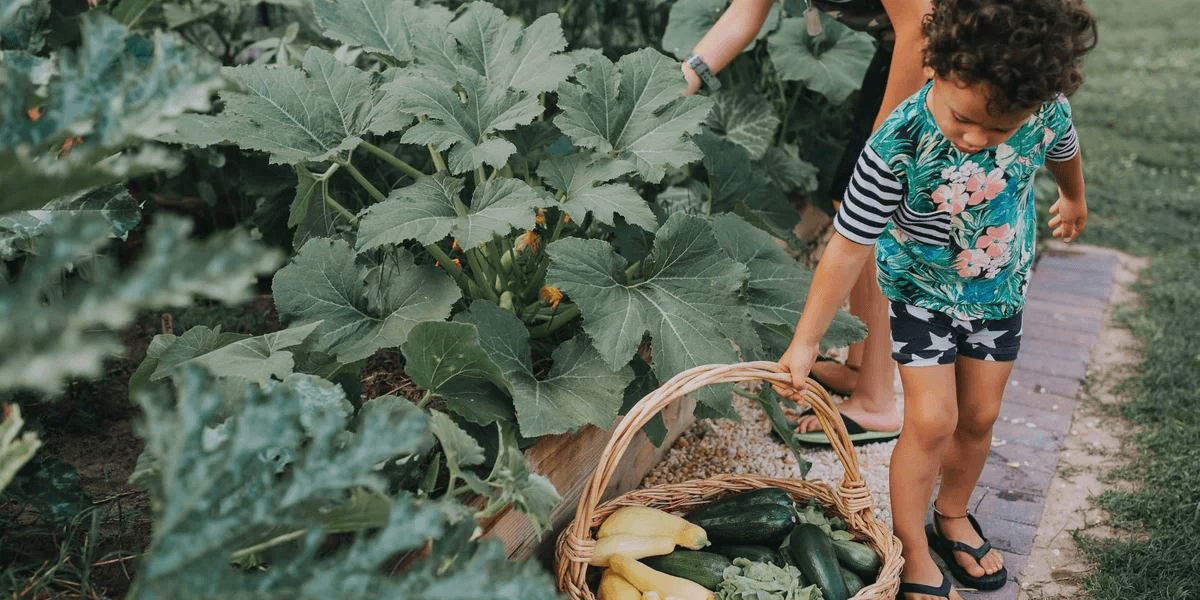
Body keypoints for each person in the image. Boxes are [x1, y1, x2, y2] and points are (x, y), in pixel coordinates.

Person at [774, 0, 1098, 597]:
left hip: (999, 287)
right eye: (963, 119)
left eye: (998, 130)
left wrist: (1073, 199)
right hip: (923, 291)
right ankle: (911, 544)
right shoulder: (897, 142)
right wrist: (805, 342)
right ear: (934, 66)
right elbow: (846, 248)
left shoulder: (1044, 111)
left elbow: (1064, 150)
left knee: (979, 417)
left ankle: (951, 513)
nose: (976, 139)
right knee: (931, 419)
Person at [682, 0, 930, 445]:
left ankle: (876, 401)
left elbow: (922, 25)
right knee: (848, 194)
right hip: (903, 44)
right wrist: (680, 83)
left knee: (871, 198)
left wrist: (881, 148)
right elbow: (744, 15)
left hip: (960, 47)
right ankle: (859, 368)